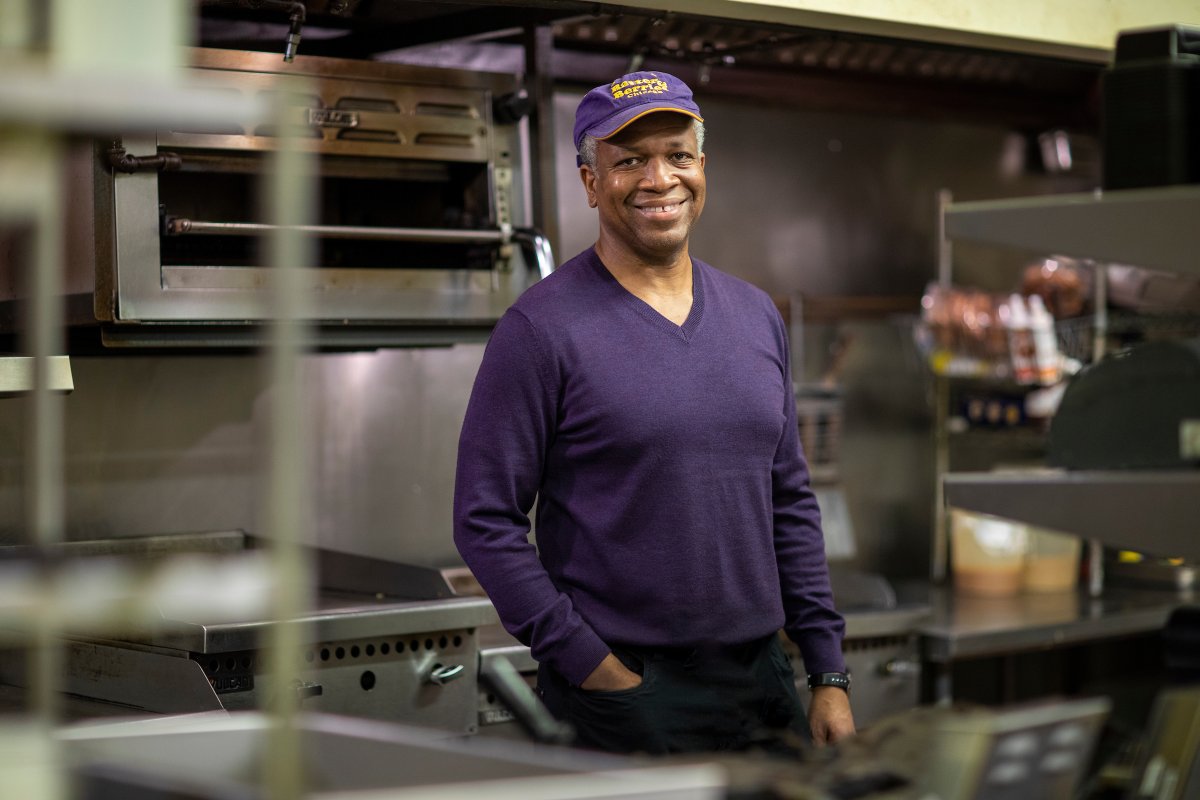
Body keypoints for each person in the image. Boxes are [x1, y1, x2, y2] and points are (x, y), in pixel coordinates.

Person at [454, 70, 855, 755]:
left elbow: (789, 499)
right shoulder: (541, 330)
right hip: (626, 693)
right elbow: (484, 521)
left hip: (765, 679)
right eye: (630, 160)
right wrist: (591, 665)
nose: (659, 178)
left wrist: (827, 669)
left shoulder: (756, 315)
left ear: (703, 168)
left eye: (677, 155)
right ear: (589, 182)